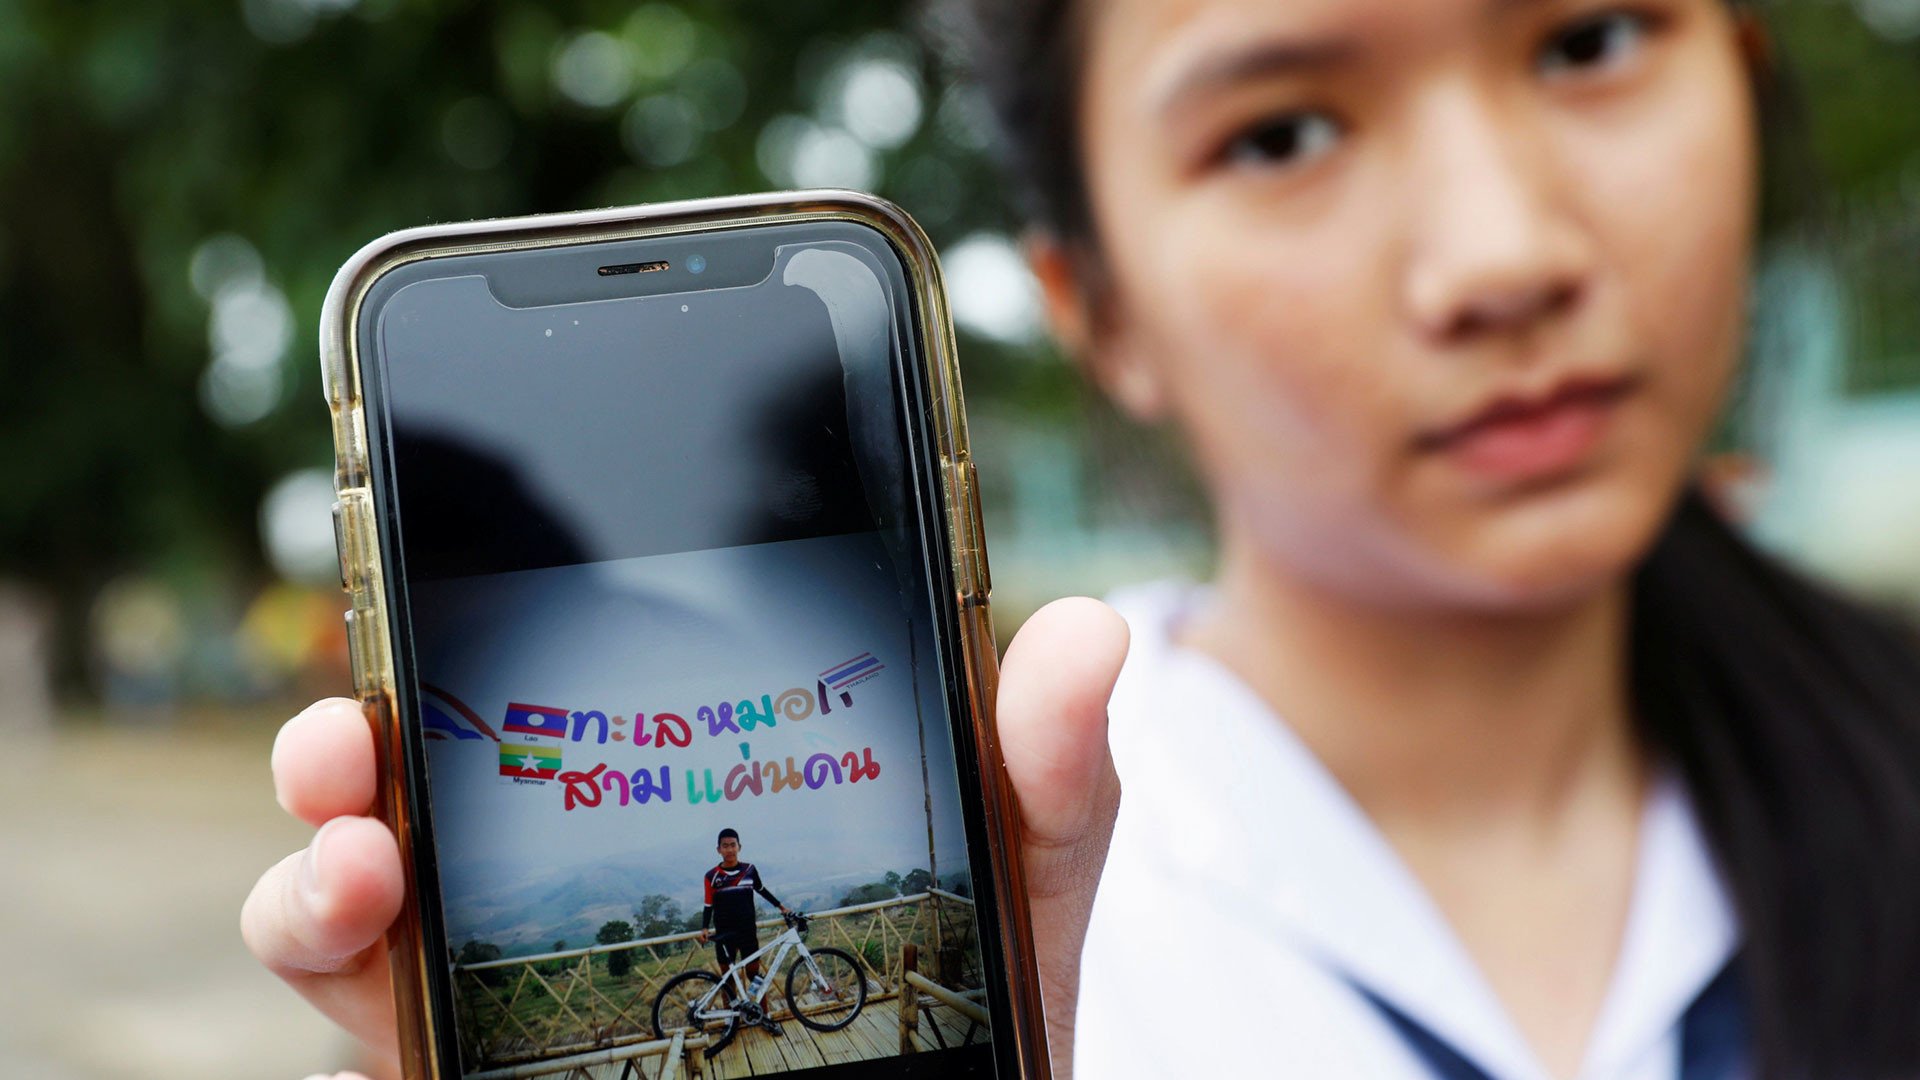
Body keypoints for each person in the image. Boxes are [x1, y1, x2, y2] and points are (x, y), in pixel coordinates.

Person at [246, 0, 1920, 1077]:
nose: (1501, 255)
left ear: (1747, 62)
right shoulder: (1056, 919)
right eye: (1281, 132)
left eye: (1591, 40)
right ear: (1095, 305)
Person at [696, 827, 791, 1028]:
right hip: (724, 933)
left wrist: (781, 906)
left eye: (733, 845)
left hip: (747, 931)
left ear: (739, 847)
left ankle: (763, 1015)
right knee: (727, 979)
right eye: (725, 846)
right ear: (718, 849)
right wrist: (704, 927)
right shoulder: (711, 876)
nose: (729, 849)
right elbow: (708, 905)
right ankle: (731, 1020)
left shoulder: (750, 870)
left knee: (754, 975)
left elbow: (762, 890)